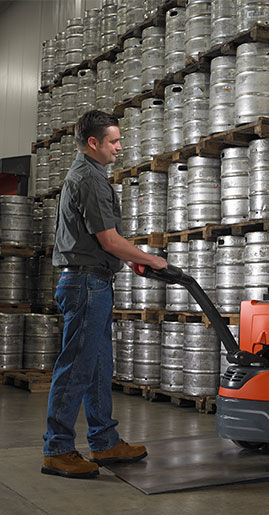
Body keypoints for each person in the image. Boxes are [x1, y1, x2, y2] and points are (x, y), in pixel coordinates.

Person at [42, 110, 168, 479]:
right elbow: (108, 240)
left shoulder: (90, 175)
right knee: (77, 367)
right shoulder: (89, 179)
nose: (120, 147)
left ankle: (104, 441)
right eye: (114, 141)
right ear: (94, 143)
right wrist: (149, 259)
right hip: (86, 284)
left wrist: (128, 262)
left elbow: (101, 243)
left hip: (92, 280)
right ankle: (57, 449)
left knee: (98, 367)